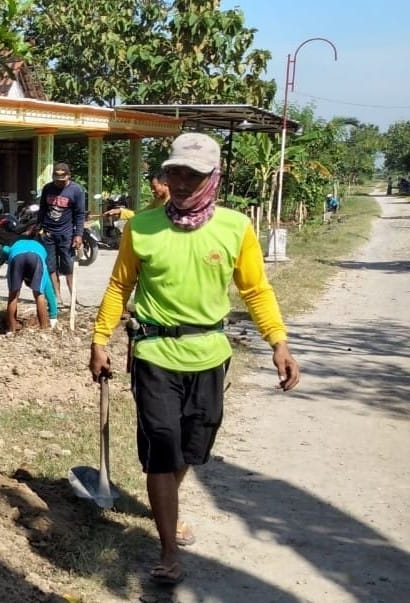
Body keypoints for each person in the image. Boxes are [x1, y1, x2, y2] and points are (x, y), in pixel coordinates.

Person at [88, 132, 300, 586]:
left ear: (213, 177)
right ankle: (168, 550)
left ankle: (167, 505)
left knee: (190, 449)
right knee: (162, 448)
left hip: (209, 354)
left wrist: (277, 341)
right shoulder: (141, 227)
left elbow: (255, 290)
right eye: (175, 172)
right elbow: (119, 287)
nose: (181, 182)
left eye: (193, 174)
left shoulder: (235, 227)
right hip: (154, 352)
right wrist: (99, 339)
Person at [37, 162, 86, 306]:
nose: (59, 183)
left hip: (66, 235)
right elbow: (42, 209)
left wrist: (78, 234)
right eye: (56, 180)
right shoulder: (47, 188)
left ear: (68, 176)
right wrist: (39, 227)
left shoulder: (76, 190)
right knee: (51, 266)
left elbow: (80, 214)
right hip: (48, 234)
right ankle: (57, 297)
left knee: (68, 266)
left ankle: (73, 298)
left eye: (62, 181)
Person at [0, 237, 57, 332]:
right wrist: (53, 315)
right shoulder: (41, 253)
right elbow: (49, 291)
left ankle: (11, 330)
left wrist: (0, 260)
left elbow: (5, 249)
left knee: (13, 295)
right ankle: (44, 329)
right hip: (36, 257)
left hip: (17, 256)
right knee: (39, 294)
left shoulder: (17, 243)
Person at [103, 173, 170, 222]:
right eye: (151, 188)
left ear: (165, 184)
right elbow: (141, 214)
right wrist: (120, 211)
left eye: (154, 187)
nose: (152, 190)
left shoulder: (174, 202)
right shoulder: (157, 201)